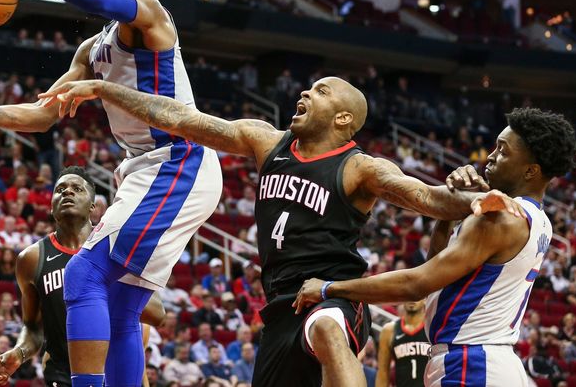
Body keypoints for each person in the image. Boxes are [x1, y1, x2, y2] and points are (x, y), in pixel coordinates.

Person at [35, 75, 522, 386]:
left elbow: (421, 195)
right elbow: (181, 118)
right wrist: (104, 89)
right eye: (308, 87)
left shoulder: (359, 167)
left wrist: (472, 198)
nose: (306, 92)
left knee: (329, 331)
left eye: (322, 91)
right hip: (279, 307)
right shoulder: (266, 141)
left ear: (344, 118)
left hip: (333, 295)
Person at [0, 0, 222, 386]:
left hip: (179, 159)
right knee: (121, 304)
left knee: (82, 272)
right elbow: (45, 114)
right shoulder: (91, 50)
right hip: (144, 167)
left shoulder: (150, 10)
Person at [294, 108, 576, 387]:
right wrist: (453, 209)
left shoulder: (500, 220)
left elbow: (417, 284)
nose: (491, 156)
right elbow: (438, 271)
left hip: (471, 364)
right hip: (487, 361)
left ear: (531, 171)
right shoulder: (539, 220)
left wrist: (329, 288)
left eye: (503, 151)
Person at [0, 167, 166, 387]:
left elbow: (158, 314)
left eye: (77, 189)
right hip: (62, 375)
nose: (67, 192)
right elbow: (33, 327)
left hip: (112, 373)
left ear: (92, 206)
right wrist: (19, 352)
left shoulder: (115, 249)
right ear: (51, 206)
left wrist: (102, 282)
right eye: (60, 189)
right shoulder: (31, 258)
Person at [376, 300, 429, 387]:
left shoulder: (432, 327)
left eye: (416, 294)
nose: (412, 298)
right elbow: (383, 373)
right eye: (408, 294)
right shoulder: (389, 330)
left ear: (425, 299)